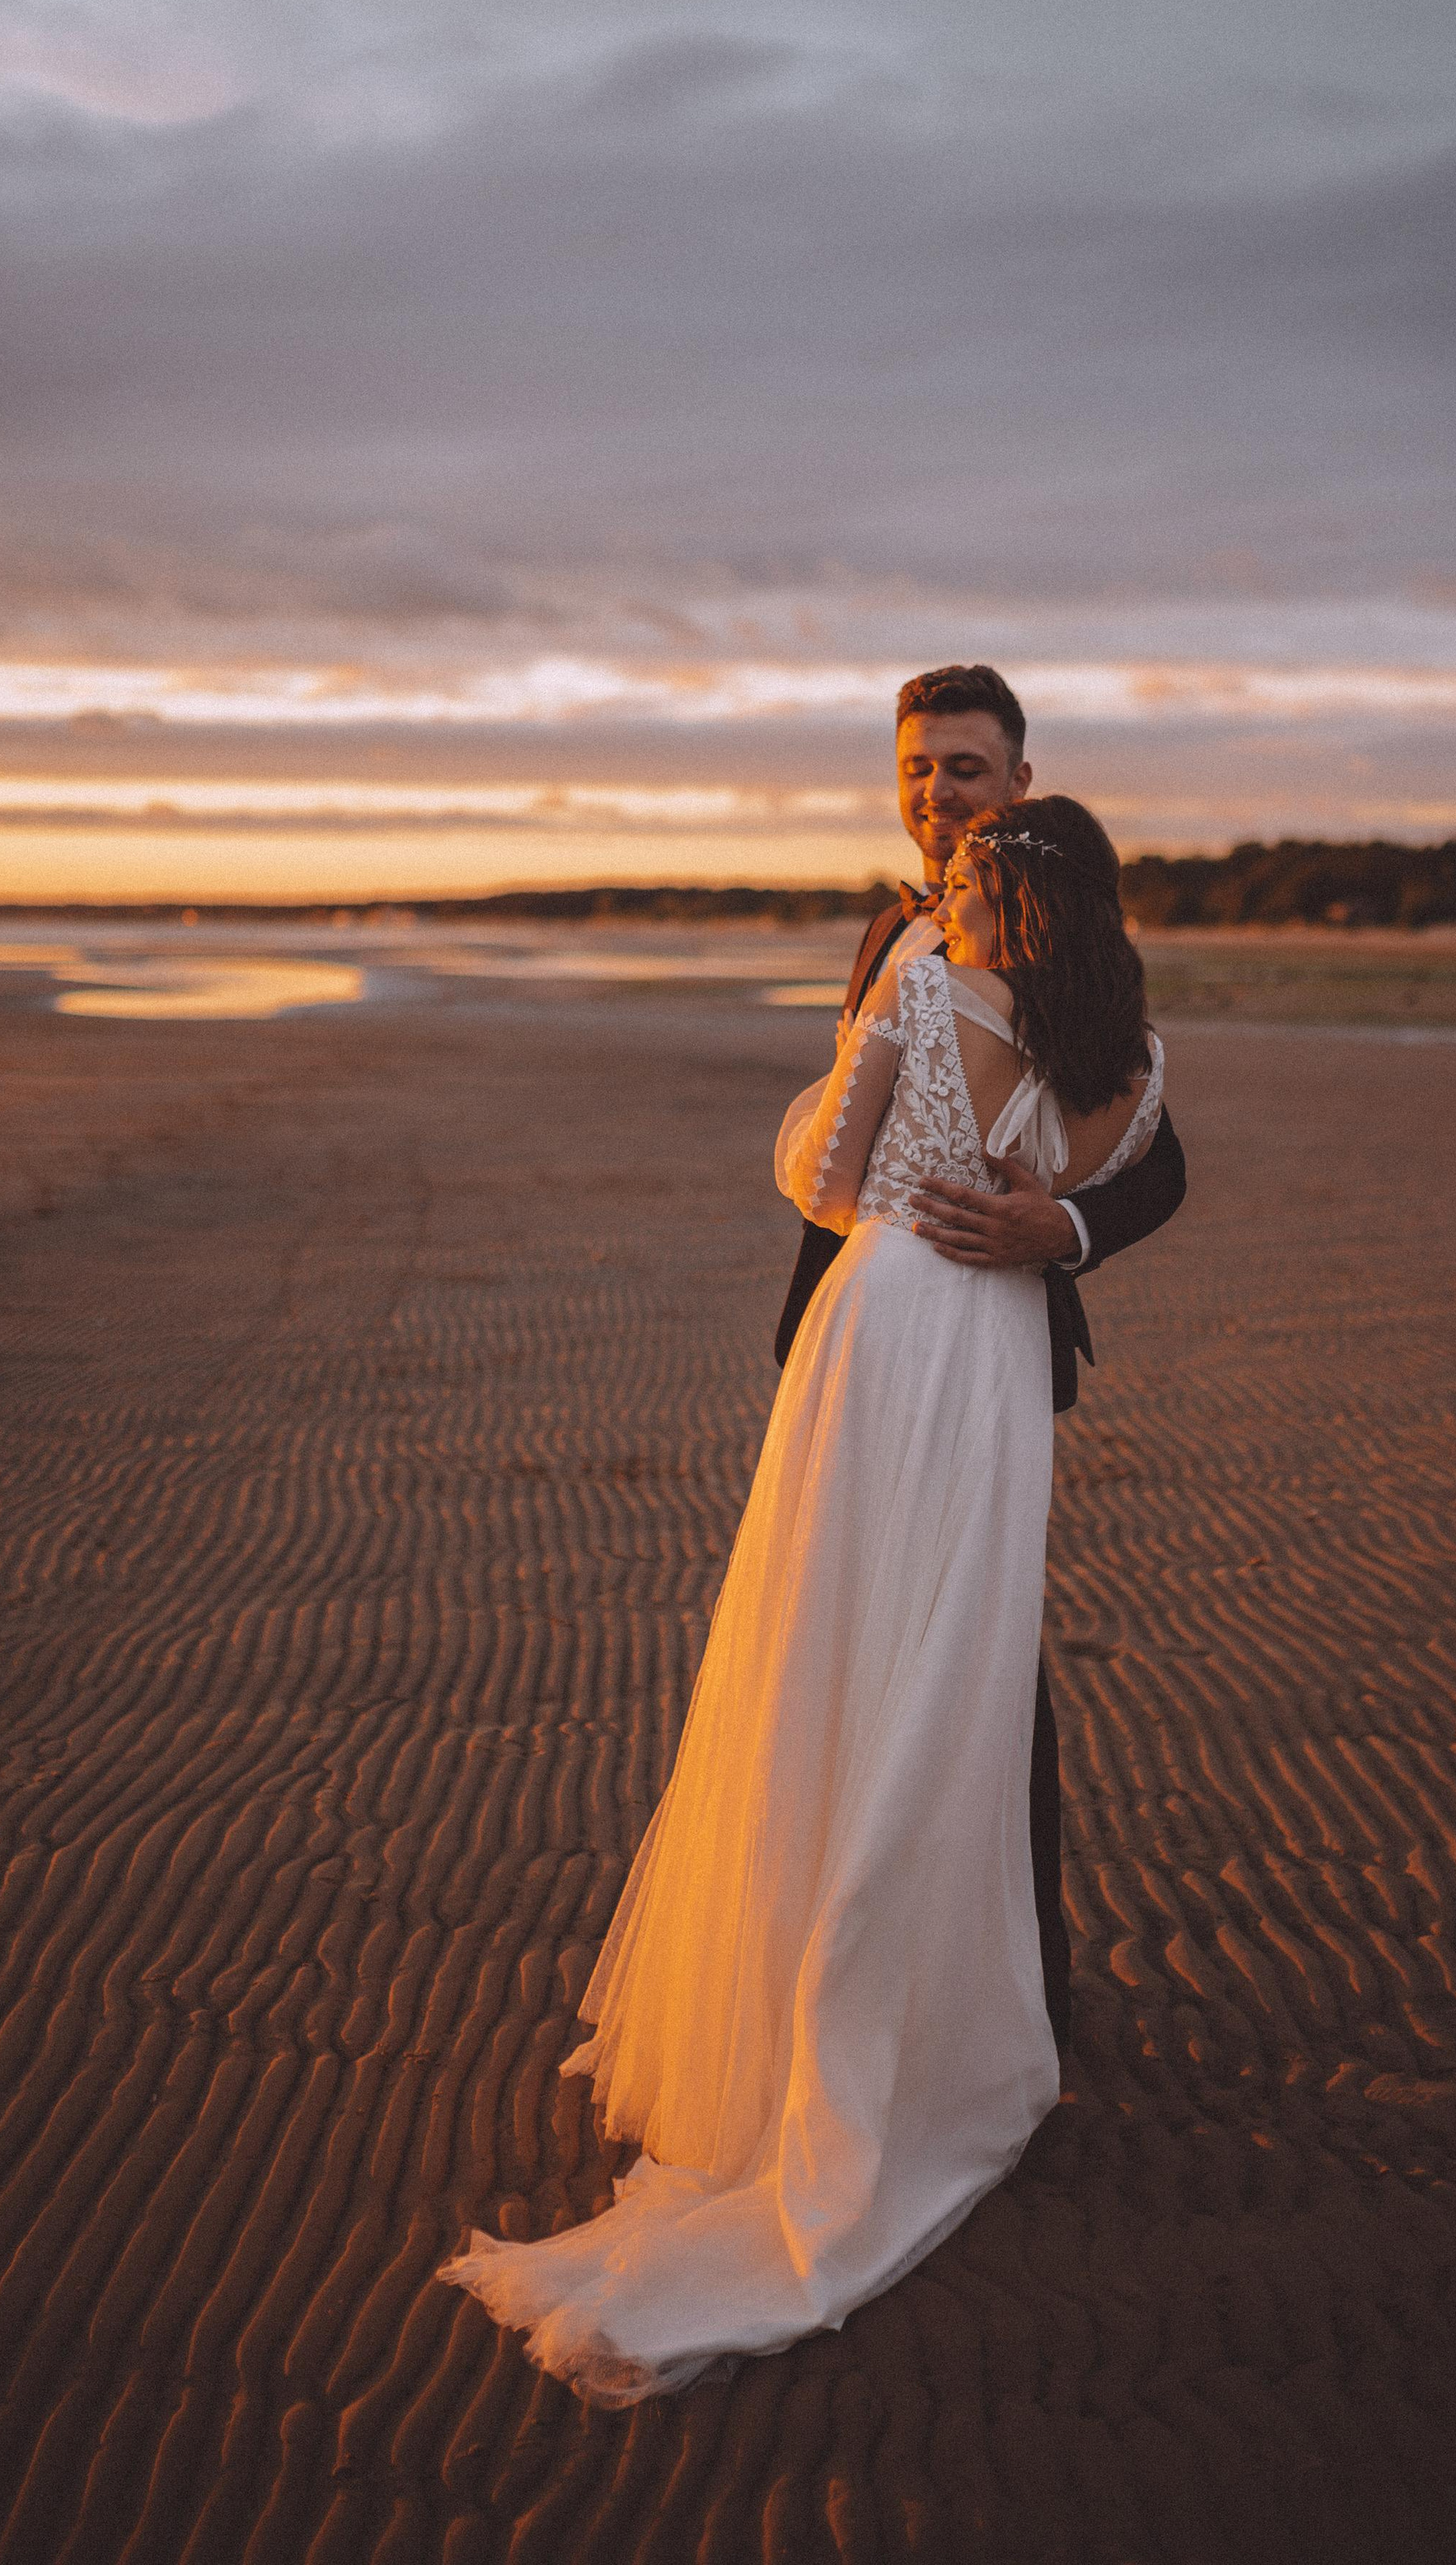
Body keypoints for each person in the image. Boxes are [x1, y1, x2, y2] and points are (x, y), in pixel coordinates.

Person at [442, 787, 1169, 2403]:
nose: (947, 876)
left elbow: (826, 1185)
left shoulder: (918, 976)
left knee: (825, 1654)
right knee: (947, 1673)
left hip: (888, 1332)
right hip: (991, 1369)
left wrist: (899, 1140)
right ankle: (931, 2029)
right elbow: (1119, 1159)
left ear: (999, 893)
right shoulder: (1126, 1044)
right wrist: (1037, 1220)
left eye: (970, 865)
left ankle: (808, 2026)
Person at [776, 664, 1186, 2048]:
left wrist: (1054, 1225)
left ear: (1017, 780)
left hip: (986, 1346)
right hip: (862, 1352)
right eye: (916, 769)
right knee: (843, 1648)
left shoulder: (1071, 947)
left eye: (963, 767)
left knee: (984, 1666)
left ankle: (1020, 2007)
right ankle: (838, 1974)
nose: (934, 793)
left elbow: (1158, 1162)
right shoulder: (892, 930)